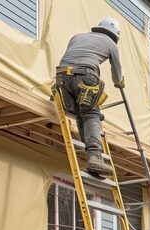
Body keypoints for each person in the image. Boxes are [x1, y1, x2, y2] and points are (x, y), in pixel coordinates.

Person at [55, 17, 124, 177]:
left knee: (81, 112)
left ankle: (92, 158)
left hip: (62, 77)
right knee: (91, 114)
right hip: (85, 75)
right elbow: (117, 73)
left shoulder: (77, 37)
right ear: (115, 35)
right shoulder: (111, 44)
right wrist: (119, 82)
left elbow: (71, 58)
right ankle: (95, 156)